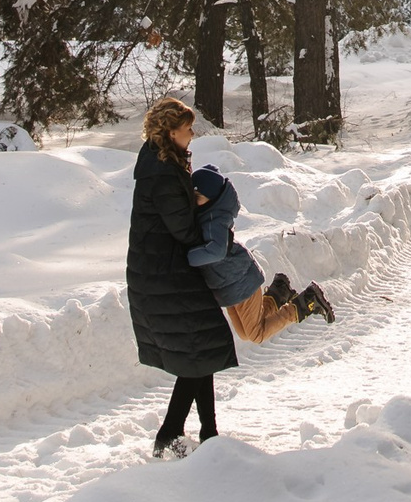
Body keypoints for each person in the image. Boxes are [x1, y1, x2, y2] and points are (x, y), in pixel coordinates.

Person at [126, 96, 233, 457]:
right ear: (171, 132)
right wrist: (205, 208)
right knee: (200, 348)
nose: (193, 134)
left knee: (200, 347)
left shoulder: (162, 163)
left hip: (163, 270)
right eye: (188, 129)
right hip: (164, 274)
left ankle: (210, 434)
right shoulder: (163, 174)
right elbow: (184, 231)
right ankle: (169, 434)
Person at [188, 164, 335, 342]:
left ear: (212, 199)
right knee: (245, 333)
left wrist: (187, 257)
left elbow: (217, 251)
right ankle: (277, 293)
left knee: (256, 335)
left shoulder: (214, 220)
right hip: (230, 284)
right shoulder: (207, 215)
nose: (194, 201)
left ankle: (307, 302)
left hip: (240, 280)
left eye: (198, 197)